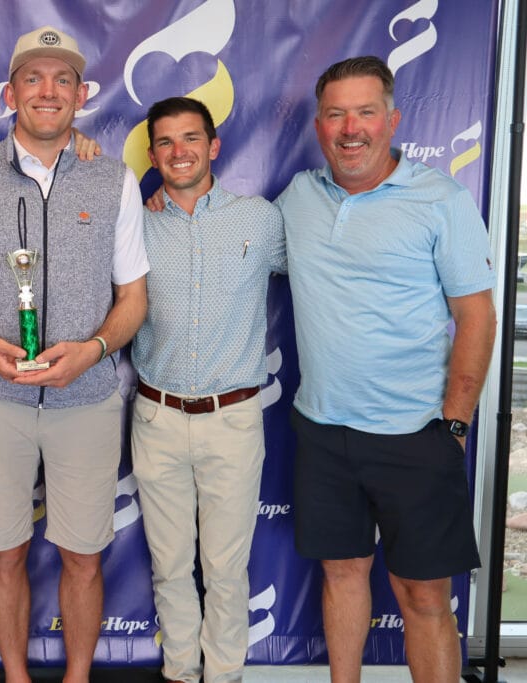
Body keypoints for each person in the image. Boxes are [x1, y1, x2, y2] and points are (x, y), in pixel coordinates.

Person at [0, 25, 149, 683]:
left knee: (83, 554)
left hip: (87, 397)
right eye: (33, 77)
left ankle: (77, 676)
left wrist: (96, 349)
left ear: (81, 93)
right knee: (5, 551)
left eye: (62, 79)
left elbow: (134, 297)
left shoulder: (113, 178)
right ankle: (17, 675)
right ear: (10, 91)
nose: (47, 91)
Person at [276, 56, 496, 683]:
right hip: (321, 431)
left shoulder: (441, 200)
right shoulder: (299, 197)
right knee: (342, 574)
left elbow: (476, 319)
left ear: (392, 120)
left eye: (366, 112)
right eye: (336, 114)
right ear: (319, 124)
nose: (352, 128)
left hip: (416, 435)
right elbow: (227, 234)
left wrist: (454, 425)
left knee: (423, 599)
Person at [131, 96, 286, 683]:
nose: (179, 152)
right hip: (157, 416)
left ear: (214, 146)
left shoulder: (260, 218)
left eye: (190, 138)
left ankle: (223, 676)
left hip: (233, 419)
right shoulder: (136, 222)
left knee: (226, 568)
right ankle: (178, 673)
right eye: (166, 142)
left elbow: (322, 275)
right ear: (152, 154)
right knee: (169, 566)